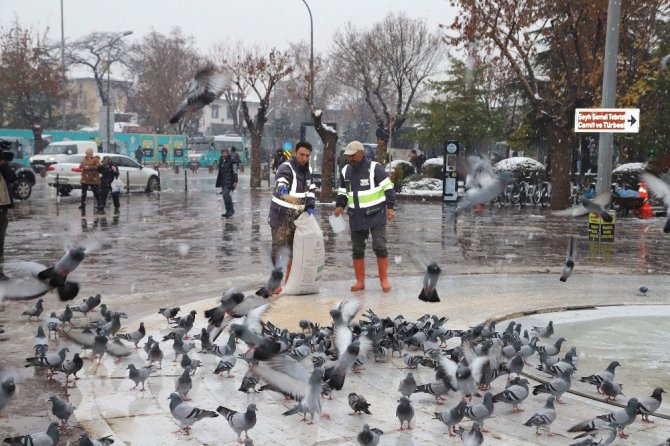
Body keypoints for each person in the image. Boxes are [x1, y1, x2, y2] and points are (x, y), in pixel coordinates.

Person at [334, 140, 396, 292]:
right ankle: (360, 282)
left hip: (376, 215)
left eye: (353, 155)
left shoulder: (375, 168)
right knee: (357, 249)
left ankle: (384, 280)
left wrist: (390, 207)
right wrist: (340, 206)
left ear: (361, 153)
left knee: (379, 246)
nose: (350, 158)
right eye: (348, 156)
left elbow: (388, 188)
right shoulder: (345, 171)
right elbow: (343, 191)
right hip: (356, 215)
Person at [267, 141, 317, 295]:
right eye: (301, 154)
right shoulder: (286, 167)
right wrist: (283, 188)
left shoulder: (308, 169)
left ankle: (290, 281)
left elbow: (311, 189)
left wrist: (310, 205)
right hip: (281, 216)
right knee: (279, 249)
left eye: (307, 155)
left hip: (297, 218)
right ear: (295, 152)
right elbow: (281, 180)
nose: (304, 158)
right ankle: (275, 283)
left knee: (294, 251)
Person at [0, 141, 16, 280]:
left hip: (2, 206)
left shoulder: (3, 165)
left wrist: (3, 165)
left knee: (0, 241)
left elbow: (11, 177)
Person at [215, 148, 238, 218]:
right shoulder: (222, 160)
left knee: (226, 196)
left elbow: (235, 171)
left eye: (225, 153)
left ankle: (230, 210)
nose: (223, 154)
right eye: (222, 153)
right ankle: (228, 211)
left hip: (230, 181)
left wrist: (235, 181)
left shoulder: (232, 160)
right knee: (225, 196)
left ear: (228, 153)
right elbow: (220, 170)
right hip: (223, 181)